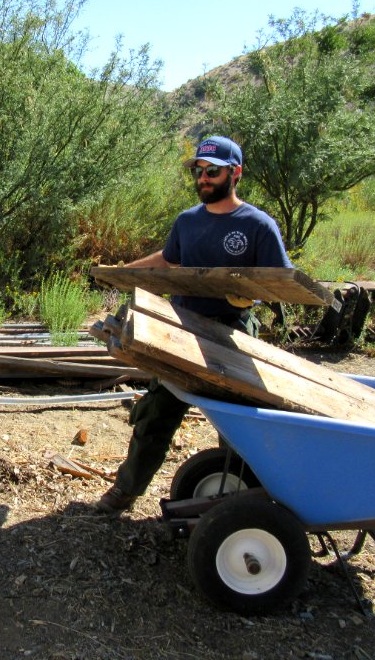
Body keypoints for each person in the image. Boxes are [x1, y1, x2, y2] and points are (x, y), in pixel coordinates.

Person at [96, 135, 291, 514]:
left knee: (237, 426)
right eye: (199, 171)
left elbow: (280, 282)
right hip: (181, 332)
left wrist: (252, 294)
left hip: (233, 337)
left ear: (235, 174)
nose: (203, 178)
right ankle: (125, 491)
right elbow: (169, 261)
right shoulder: (187, 221)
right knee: (155, 415)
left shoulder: (257, 226)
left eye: (212, 171)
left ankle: (242, 503)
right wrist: (120, 273)